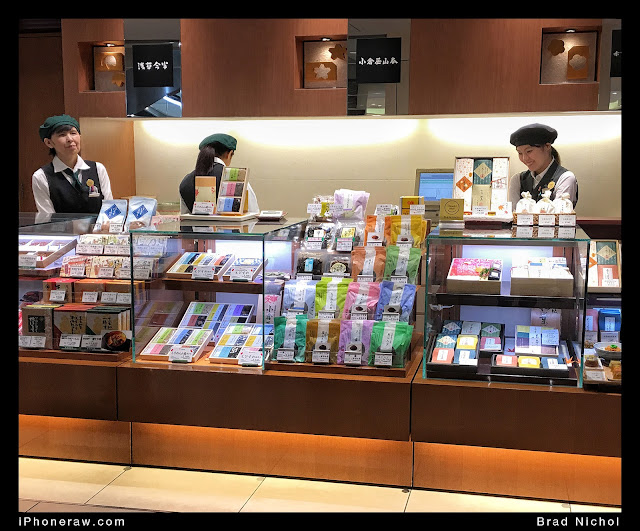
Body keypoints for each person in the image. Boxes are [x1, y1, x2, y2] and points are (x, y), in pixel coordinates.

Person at [31, 114, 113, 215]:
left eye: (73, 133)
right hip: (61, 231)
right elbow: (47, 218)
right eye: (62, 135)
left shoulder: (98, 169)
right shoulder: (41, 176)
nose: (70, 139)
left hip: (97, 230)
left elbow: (109, 208)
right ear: (49, 142)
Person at [179, 133, 259, 214]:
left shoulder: (186, 182)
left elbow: (185, 218)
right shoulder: (237, 178)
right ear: (229, 154)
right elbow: (253, 213)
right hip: (233, 226)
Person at [507, 123, 578, 209]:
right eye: (520, 153)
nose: (524, 158)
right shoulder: (517, 180)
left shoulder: (565, 178)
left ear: (547, 146)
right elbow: (513, 215)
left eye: (529, 151)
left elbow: (560, 216)